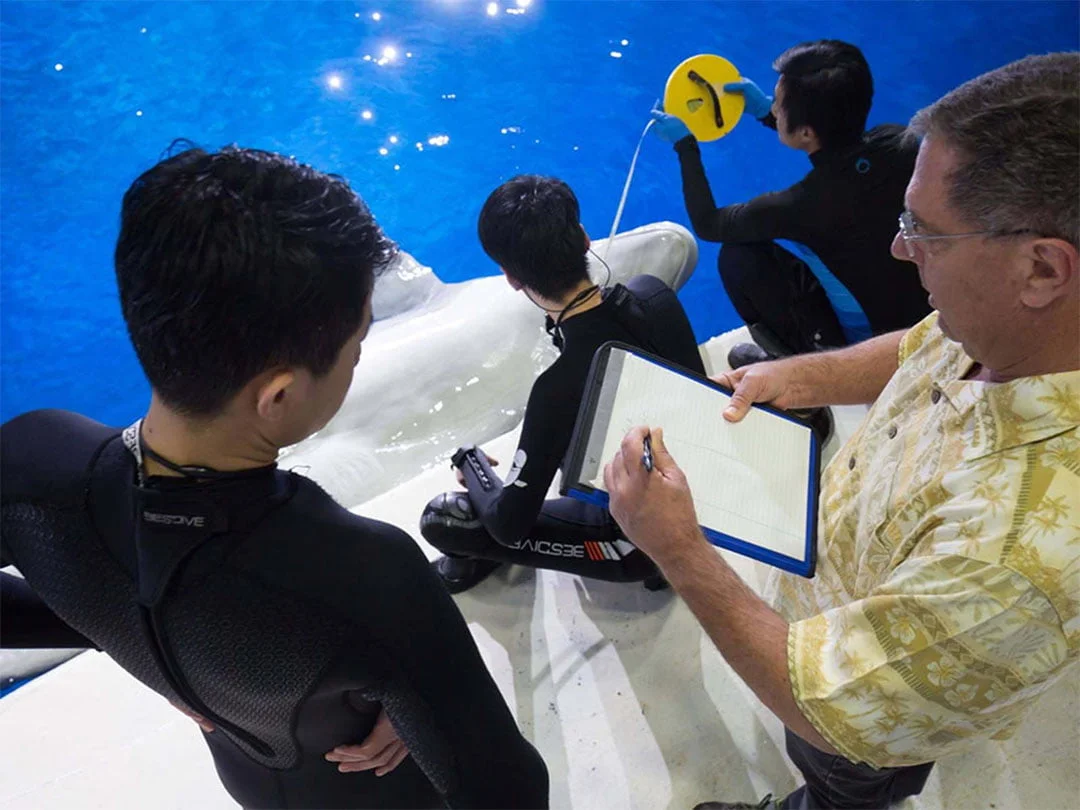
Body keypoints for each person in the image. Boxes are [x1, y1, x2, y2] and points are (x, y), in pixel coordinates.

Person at [0, 146, 549, 809]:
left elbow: (157, 593)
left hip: (255, 785)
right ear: (279, 396)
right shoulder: (367, 575)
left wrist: (131, 636)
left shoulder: (31, 460)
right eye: (356, 348)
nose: (355, 363)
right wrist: (405, 687)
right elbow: (508, 795)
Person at [607, 52, 1079, 810]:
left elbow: (835, 710)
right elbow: (922, 342)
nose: (899, 249)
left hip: (850, 719)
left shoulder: (1017, 563)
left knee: (841, 781)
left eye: (924, 231)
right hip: (832, 577)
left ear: (1044, 270)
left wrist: (677, 548)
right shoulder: (1011, 325)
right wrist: (798, 376)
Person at [421, 175, 705, 594]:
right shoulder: (653, 293)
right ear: (585, 239)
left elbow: (507, 524)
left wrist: (470, 463)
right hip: (706, 502)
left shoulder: (558, 388)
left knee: (444, 519)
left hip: (641, 547)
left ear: (512, 279)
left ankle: (471, 563)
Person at [651, 40, 931, 368]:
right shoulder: (903, 143)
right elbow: (839, 157)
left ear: (807, 133)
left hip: (867, 349)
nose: (772, 108)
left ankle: (802, 367)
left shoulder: (798, 207)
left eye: (778, 106)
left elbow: (709, 223)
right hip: (926, 316)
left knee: (739, 257)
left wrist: (685, 146)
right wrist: (765, 113)